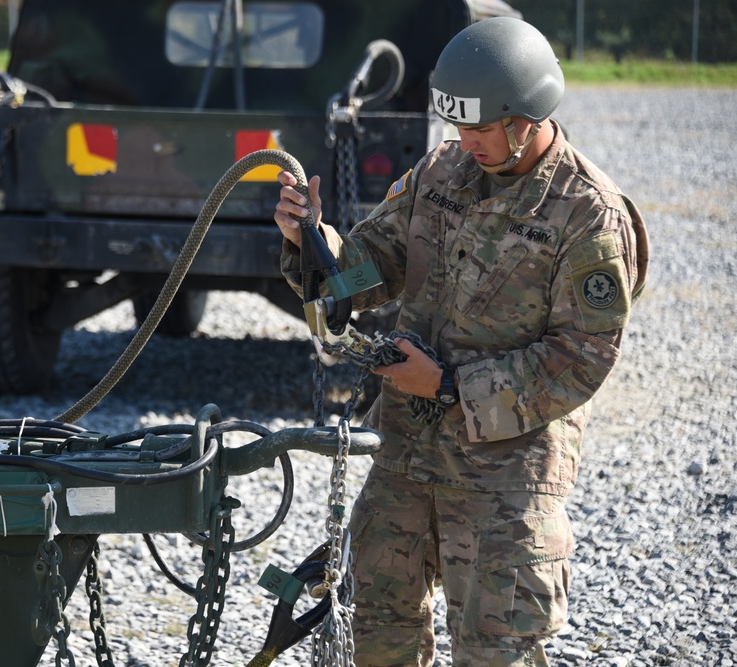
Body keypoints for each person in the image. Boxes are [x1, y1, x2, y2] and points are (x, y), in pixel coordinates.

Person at [273, 16, 649, 667]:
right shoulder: (442, 171)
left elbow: (580, 359)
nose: (465, 140)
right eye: (458, 125)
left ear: (527, 117)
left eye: (480, 127)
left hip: (507, 462)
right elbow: (372, 265)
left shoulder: (588, 214)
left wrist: (450, 387)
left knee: (494, 642)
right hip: (407, 448)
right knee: (381, 610)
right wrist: (316, 243)